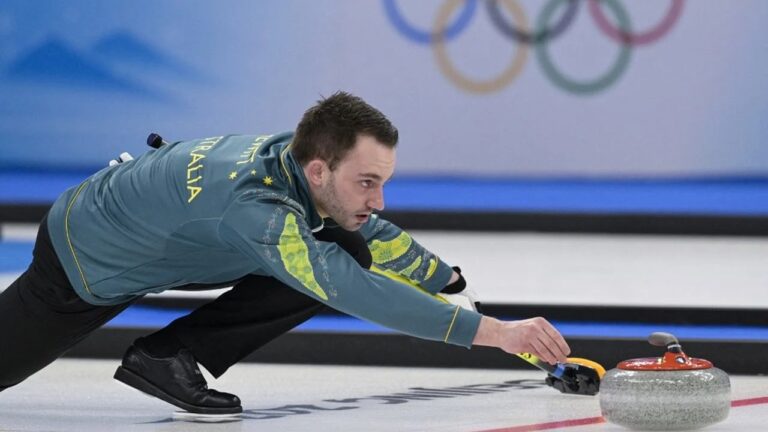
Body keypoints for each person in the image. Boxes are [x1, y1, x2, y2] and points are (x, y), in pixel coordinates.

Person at [0, 91, 570, 415]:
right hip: (84, 258)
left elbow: (367, 230)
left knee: (344, 241)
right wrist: (496, 333)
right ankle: (163, 357)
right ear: (320, 169)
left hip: (153, 231)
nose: (378, 199)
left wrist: (446, 281)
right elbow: (351, 288)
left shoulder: (291, 159)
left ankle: (169, 356)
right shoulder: (261, 210)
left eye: (382, 181)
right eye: (367, 182)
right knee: (330, 267)